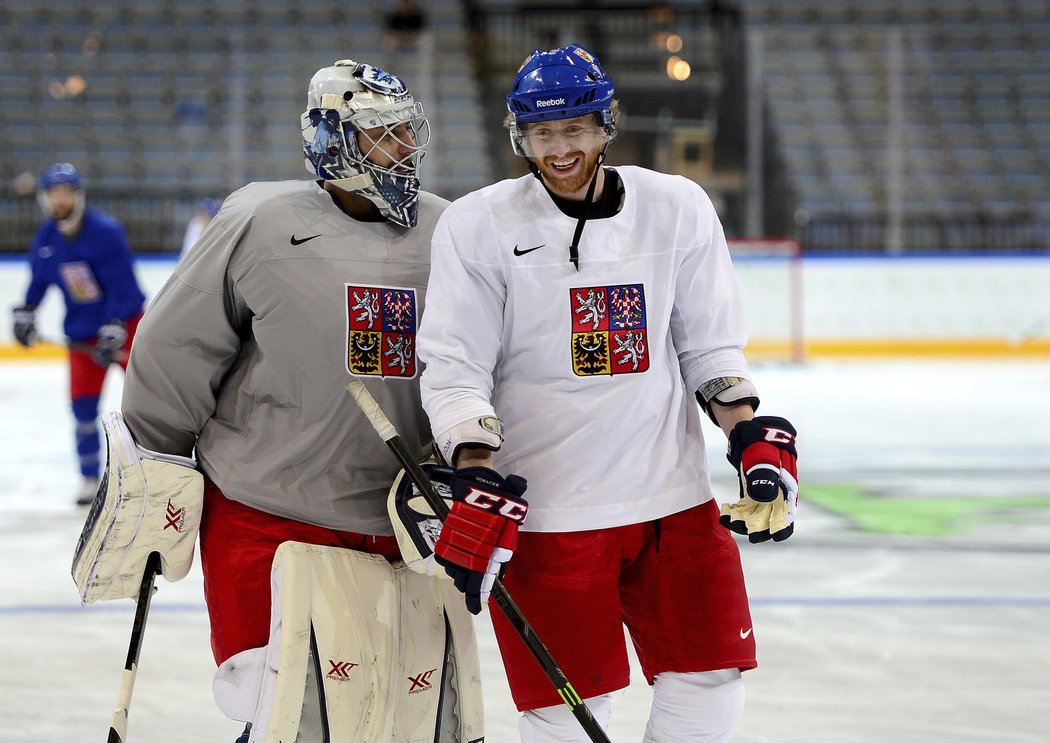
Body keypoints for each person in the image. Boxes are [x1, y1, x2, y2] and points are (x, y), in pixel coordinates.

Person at [416, 44, 800, 742]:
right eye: (541, 132)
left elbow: (708, 344)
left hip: (673, 502)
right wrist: (473, 468)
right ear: (520, 136)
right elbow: (453, 361)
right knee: (567, 713)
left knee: (711, 679)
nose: (558, 148)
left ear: (603, 126)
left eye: (573, 129)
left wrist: (748, 434)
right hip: (548, 512)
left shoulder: (677, 206)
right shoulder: (478, 224)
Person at [111, 59, 479, 742]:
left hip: (404, 520)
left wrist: (471, 459)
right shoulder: (258, 220)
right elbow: (175, 351)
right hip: (268, 515)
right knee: (285, 716)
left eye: (405, 130)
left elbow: (478, 361)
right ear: (333, 139)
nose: (402, 146)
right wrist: (157, 464)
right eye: (381, 133)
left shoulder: (448, 229)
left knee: (397, 720)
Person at [11, 162, 146, 506]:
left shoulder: (106, 232)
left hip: (125, 328)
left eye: (66, 193)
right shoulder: (46, 238)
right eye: (53, 194)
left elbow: (124, 284)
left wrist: (115, 325)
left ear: (78, 195)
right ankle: (89, 478)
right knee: (83, 409)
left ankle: (154, 472)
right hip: (84, 336)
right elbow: (38, 283)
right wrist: (27, 310)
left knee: (147, 405)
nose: (60, 200)